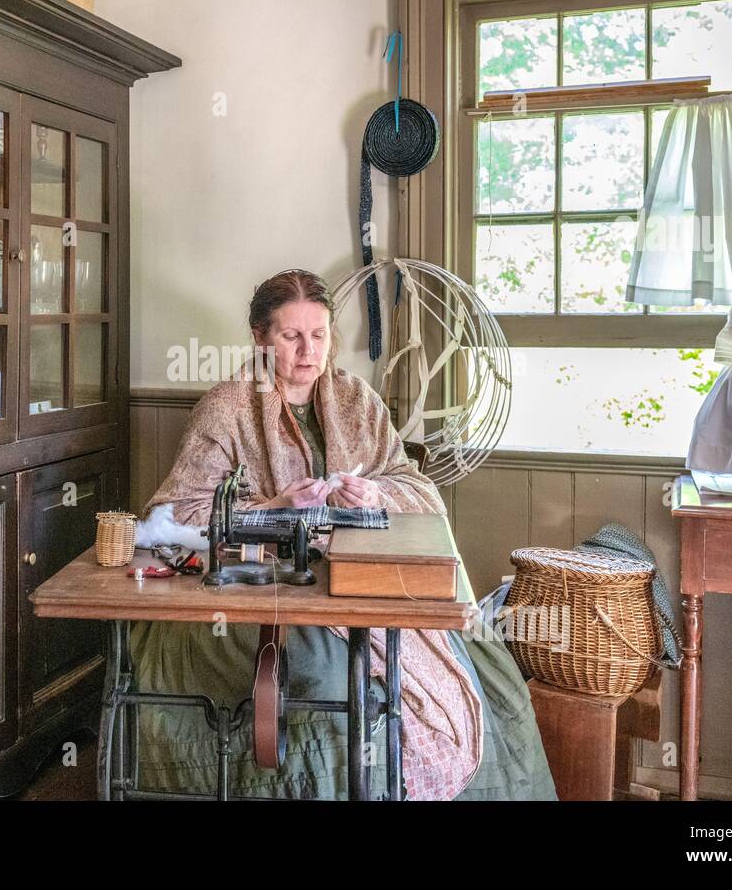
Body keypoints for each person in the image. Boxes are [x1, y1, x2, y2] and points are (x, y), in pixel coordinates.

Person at [132, 268, 555, 800]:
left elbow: (415, 488)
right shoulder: (227, 407)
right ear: (261, 338)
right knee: (325, 676)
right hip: (259, 592)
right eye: (290, 336)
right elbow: (172, 518)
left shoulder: (358, 401)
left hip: (358, 577)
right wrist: (276, 506)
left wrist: (374, 494)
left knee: (490, 667)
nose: (308, 351)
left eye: (319, 334)